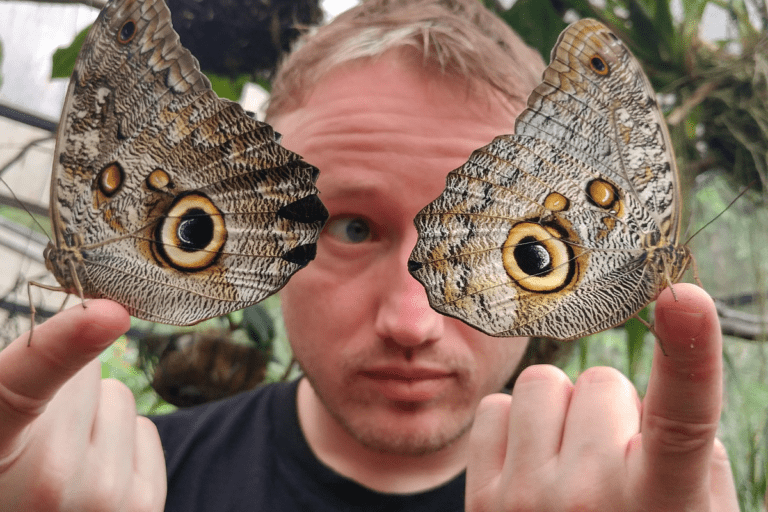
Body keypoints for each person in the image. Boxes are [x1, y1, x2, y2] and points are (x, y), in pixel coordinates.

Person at [0, 0, 738, 510]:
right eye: (351, 228)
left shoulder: (642, 500)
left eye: (491, 243)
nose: (411, 323)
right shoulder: (121, 487)